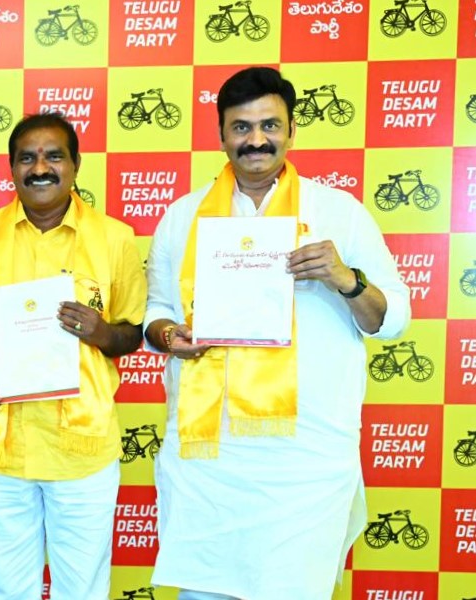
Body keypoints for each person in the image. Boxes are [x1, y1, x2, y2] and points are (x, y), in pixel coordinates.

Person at [144, 66, 411, 600]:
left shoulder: (337, 212)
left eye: (270, 125)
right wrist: (170, 335)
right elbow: (155, 314)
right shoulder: (182, 216)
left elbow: (392, 319)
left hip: (304, 459)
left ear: (292, 131)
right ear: (221, 134)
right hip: (209, 458)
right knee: (203, 591)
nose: (256, 140)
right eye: (241, 127)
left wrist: (345, 279)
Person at [0, 113, 147, 599]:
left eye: (54, 156)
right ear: (12, 168)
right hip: (2, 444)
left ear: (76, 165)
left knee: (81, 589)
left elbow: (134, 333)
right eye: (28, 157)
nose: (41, 167)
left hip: (82, 447)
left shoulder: (116, 238)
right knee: (3, 588)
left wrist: (101, 332)